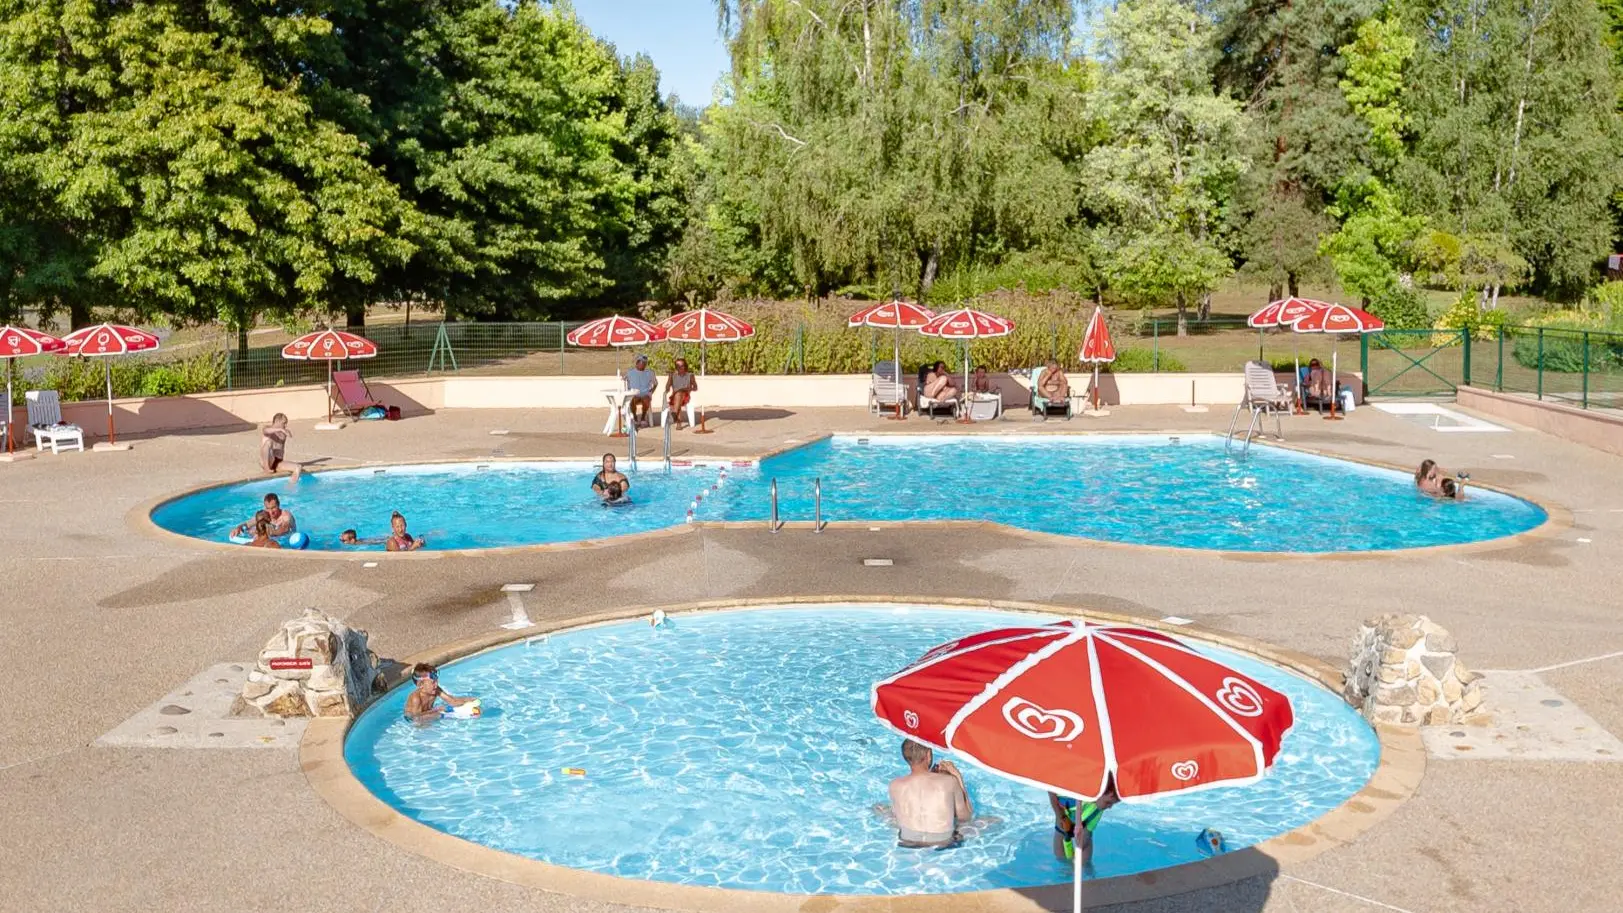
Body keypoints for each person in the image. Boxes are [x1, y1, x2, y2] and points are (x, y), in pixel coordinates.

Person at [887, 739, 972, 848]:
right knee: (993, 821)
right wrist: (958, 777)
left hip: (907, 841)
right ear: (928, 755)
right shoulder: (949, 781)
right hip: (943, 842)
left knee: (883, 809)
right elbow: (965, 818)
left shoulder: (894, 785)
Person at [1050, 779, 1119, 874]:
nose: (1110, 807)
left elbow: (1087, 833)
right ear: (1099, 793)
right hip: (1063, 818)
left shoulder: (1098, 810)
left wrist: (1078, 852)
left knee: (1086, 858)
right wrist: (1060, 815)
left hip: (1083, 824)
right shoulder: (1070, 795)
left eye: (1112, 804)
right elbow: (1051, 790)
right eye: (1108, 802)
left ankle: (1089, 875)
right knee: (1061, 860)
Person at [403, 663, 476, 723]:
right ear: (420, 684)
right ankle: (452, 715)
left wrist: (468, 700)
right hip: (412, 719)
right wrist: (437, 709)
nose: (436, 684)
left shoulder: (435, 689)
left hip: (428, 712)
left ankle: (454, 713)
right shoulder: (416, 698)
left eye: (436, 681)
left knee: (439, 711)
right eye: (433, 682)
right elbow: (416, 716)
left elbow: (452, 701)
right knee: (434, 715)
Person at [625, 354, 658, 428]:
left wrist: (651, 392)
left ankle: (643, 417)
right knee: (632, 399)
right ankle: (635, 417)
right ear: (636, 363)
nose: (643, 365)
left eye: (644, 363)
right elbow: (623, 380)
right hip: (634, 394)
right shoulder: (630, 372)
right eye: (641, 363)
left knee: (646, 399)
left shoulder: (650, 372)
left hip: (645, 394)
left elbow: (655, 383)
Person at [667, 358, 698, 429]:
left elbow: (695, 388)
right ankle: (677, 419)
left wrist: (689, 388)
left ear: (685, 366)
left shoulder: (690, 375)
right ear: (676, 367)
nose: (680, 367)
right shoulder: (673, 375)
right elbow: (667, 388)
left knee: (679, 394)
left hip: (686, 395)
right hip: (674, 396)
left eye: (682, 365)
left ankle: (677, 420)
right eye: (678, 366)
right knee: (677, 396)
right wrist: (669, 378)